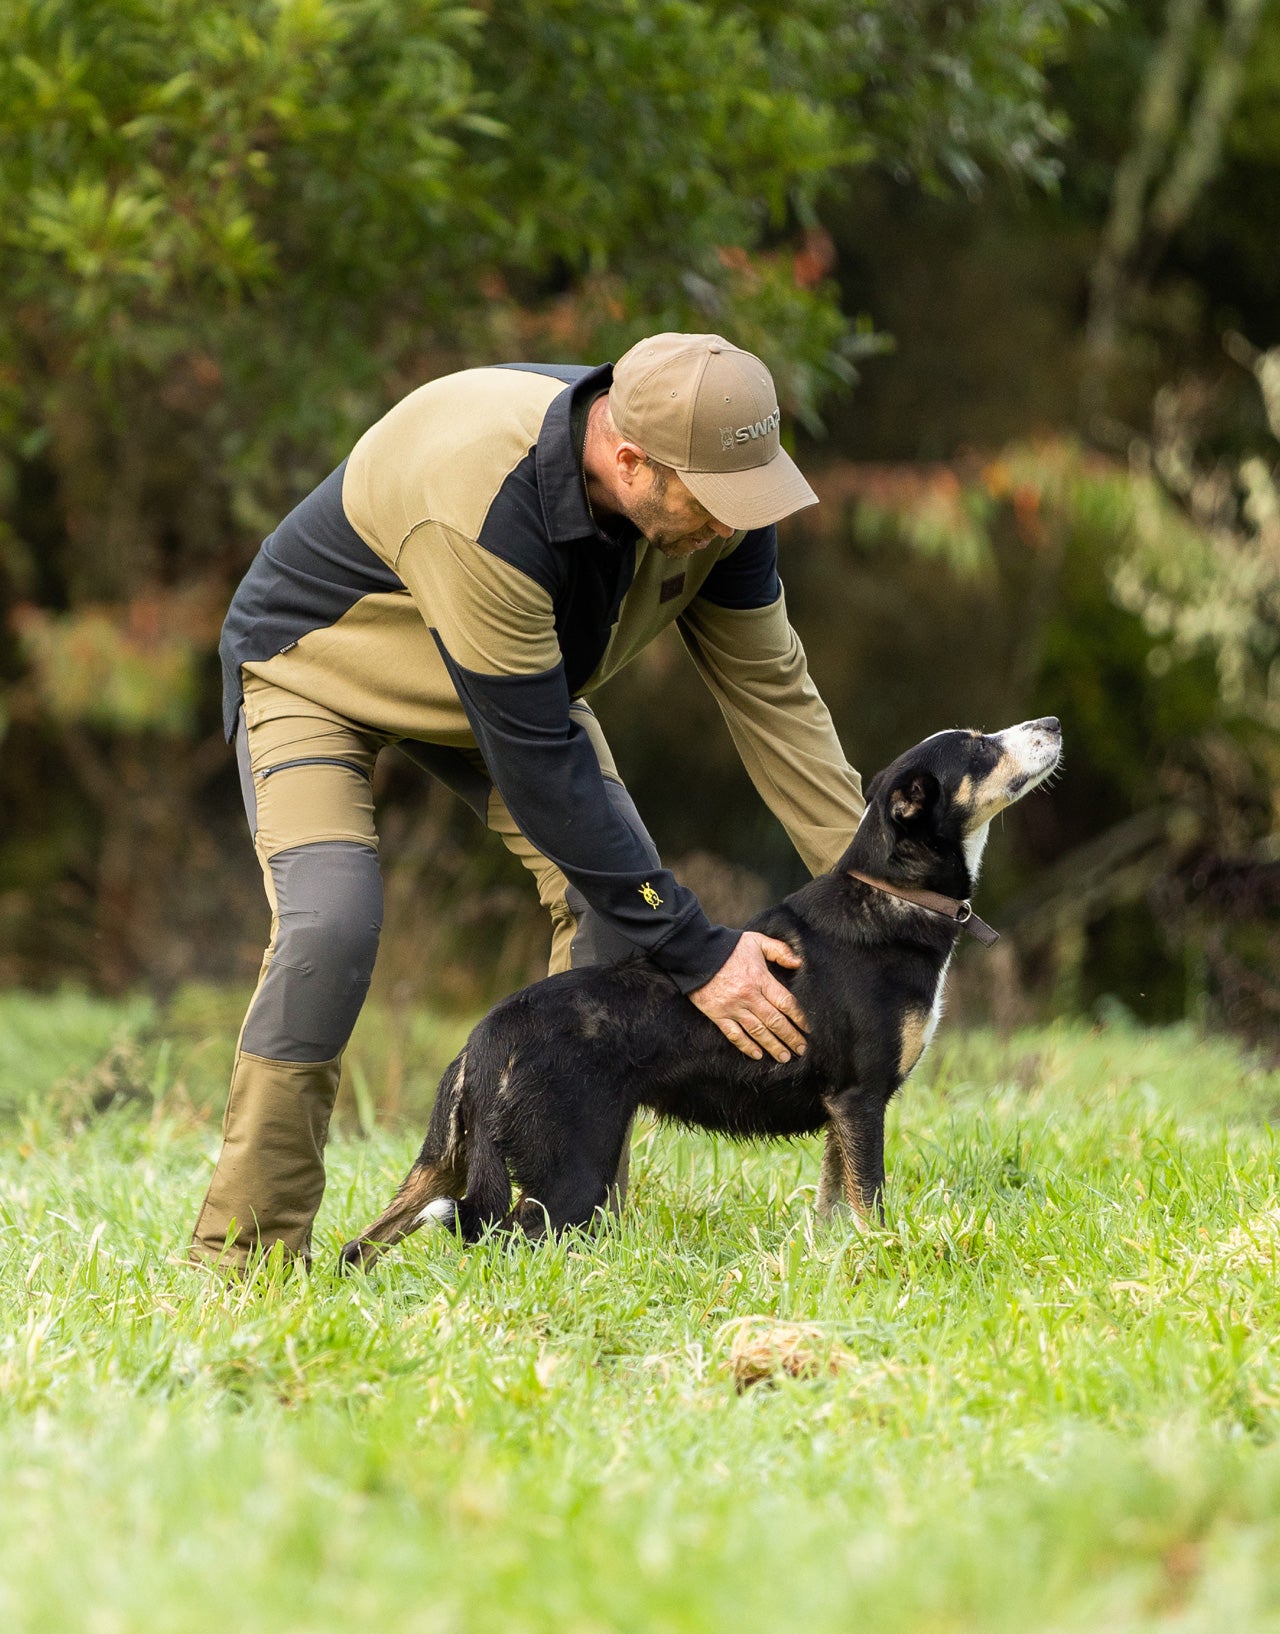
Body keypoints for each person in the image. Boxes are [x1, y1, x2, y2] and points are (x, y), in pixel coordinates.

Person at [191, 332, 865, 1268]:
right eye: (717, 506)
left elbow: (777, 701)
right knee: (330, 928)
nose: (733, 525)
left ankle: (553, 1227)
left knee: (615, 911)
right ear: (630, 463)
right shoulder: (487, 501)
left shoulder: (725, 490)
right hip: (316, 672)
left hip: (513, 687)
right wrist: (703, 954)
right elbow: (542, 765)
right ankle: (245, 1258)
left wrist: (889, 894)